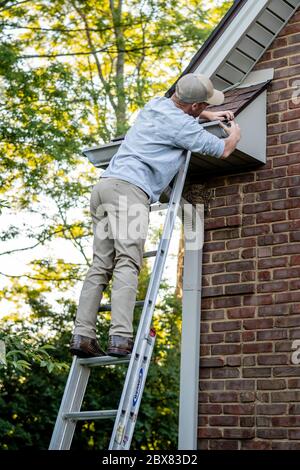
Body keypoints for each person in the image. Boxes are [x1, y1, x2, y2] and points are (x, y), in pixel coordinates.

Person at [70, 73, 241, 358]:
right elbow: (224, 149)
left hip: (104, 189)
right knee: (127, 260)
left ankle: (82, 335)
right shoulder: (184, 128)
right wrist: (234, 132)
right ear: (195, 106)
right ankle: (120, 337)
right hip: (130, 193)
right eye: (203, 105)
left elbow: (183, 109)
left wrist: (208, 111)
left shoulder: (154, 105)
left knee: (100, 265)